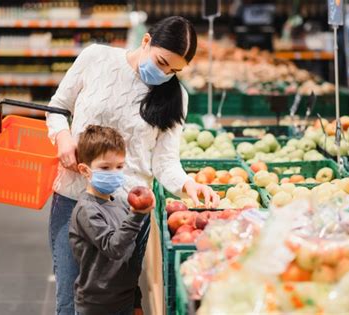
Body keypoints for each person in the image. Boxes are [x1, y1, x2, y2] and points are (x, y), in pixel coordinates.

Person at [46, 16, 220, 315]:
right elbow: (58, 107)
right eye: (162, 62)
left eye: (174, 70)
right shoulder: (95, 57)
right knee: (70, 298)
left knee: (118, 302)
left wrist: (187, 184)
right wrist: (63, 138)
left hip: (129, 211)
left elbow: (164, 161)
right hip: (74, 198)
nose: (165, 74)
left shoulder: (176, 95)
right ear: (146, 41)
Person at [69, 125, 152, 315]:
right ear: (85, 170)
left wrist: (135, 300)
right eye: (105, 168)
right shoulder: (86, 210)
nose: (114, 173)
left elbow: (130, 258)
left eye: (119, 167)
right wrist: (137, 215)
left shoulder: (121, 204)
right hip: (96, 305)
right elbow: (114, 248)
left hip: (124, 300)